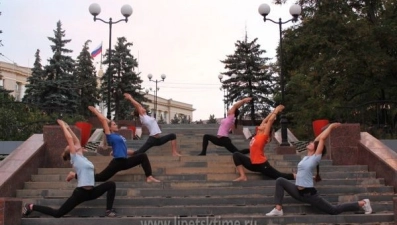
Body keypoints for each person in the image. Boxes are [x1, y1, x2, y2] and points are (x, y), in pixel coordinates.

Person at [265, 122, 372, 216]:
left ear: (316, 149)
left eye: (312, 143)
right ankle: (278, 209)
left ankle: (363, 203)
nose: (310, 143)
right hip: (298, 191)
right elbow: (317, 140)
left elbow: (321, 139)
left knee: (333, 210)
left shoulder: (315, 158)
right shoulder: (306, 157)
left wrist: (330, 127)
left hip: (309, 194)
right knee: (280, 180)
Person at [22, 119, 117, 218]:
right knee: (58, 213)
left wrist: (68, 128)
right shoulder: (75, 159)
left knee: (111, 185)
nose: (75, 146)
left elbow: (76, 140)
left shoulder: (82, 157)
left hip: (91, 192)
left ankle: (108, 210)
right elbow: (70, 139)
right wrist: (63, 126)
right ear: (72, 152)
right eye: (71, 147)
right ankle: (31, 206)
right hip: (81, 193)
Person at [80, 106, 160, 183]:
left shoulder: (117, 135)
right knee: (100, 177)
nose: (116, 125)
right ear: (109, 128)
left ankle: (149, 177)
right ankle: (77, 175)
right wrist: (95, 111)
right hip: (117, 162)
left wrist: (131, 152)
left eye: (115, 124)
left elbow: (122, 148)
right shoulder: (109, 136)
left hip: (124, 161)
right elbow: (104, 120)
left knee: (143, 156)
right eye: (114, 125)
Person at [232, 105, 295, 181]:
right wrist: (274, 110)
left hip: (262, 164)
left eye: (265, 125)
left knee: (280, 176)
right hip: (253, 163)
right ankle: (243, 176)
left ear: (266, 129)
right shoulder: (258, 133)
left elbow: (270, 121)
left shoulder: (264, 136)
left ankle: (296, 176)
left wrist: (277, 110)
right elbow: (265, 120)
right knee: (236, 155)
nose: (263, 124)